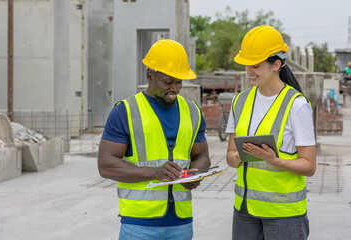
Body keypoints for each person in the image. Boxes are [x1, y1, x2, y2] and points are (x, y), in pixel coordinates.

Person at [98, 39, 211, 240]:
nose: (175, 88)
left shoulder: (193, 111)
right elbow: (106, 165)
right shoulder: (125, 111)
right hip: (138, 225)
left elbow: (202, 155)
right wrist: (154, 173)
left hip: (181, 223)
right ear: (150, 75)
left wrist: (196, 172)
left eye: (179, 82)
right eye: (168, 82)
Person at [225, 25, 316, 240]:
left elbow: (309, 166)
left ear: (276, 65)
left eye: (255, 66)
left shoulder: (296, 105)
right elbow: (230, 156)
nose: (249, 71)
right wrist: (236, 157)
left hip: (284, 215)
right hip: (245, 212)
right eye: (247, 65)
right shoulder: (239, 101)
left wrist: (274, 160)